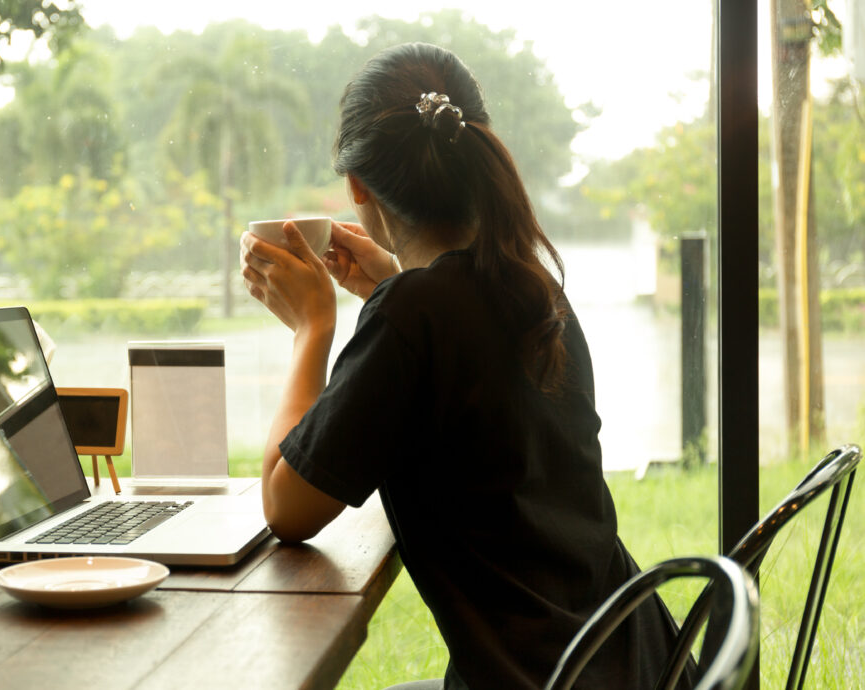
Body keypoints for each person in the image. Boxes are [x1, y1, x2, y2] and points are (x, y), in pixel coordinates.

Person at [239, 43, 685, 689]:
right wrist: (390, 290)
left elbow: (287, 507)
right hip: (630, 662)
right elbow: (457, 361)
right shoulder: (532, 288)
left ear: (357, 184)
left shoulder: (417, 315)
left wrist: (313, 329)